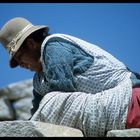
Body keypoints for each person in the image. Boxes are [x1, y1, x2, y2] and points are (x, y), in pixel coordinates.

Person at [0, 17, 140, 137]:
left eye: (20, 57)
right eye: (17, 63)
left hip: (130, 97)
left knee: (52, 102)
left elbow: (61, 92)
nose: (21, 65)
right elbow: (37, 114)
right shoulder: (39, 81)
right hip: (108, 104)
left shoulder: (53, 46)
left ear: (31, 44)